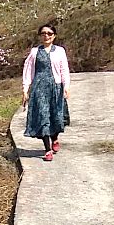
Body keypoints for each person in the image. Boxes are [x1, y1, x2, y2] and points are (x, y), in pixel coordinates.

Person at [22, 24, 70, 161]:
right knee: (43, 117)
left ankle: (55, 138)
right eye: (43, 33)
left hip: (56, 88)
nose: (46, 36)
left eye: (49, 33)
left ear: (54, 36)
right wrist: (25, 89)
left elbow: (64, 69)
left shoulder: (60, 51)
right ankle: (47, 149)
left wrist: (66, 86)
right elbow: (28, 71)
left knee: (56, 116)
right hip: (39, 89)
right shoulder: (34, 52)